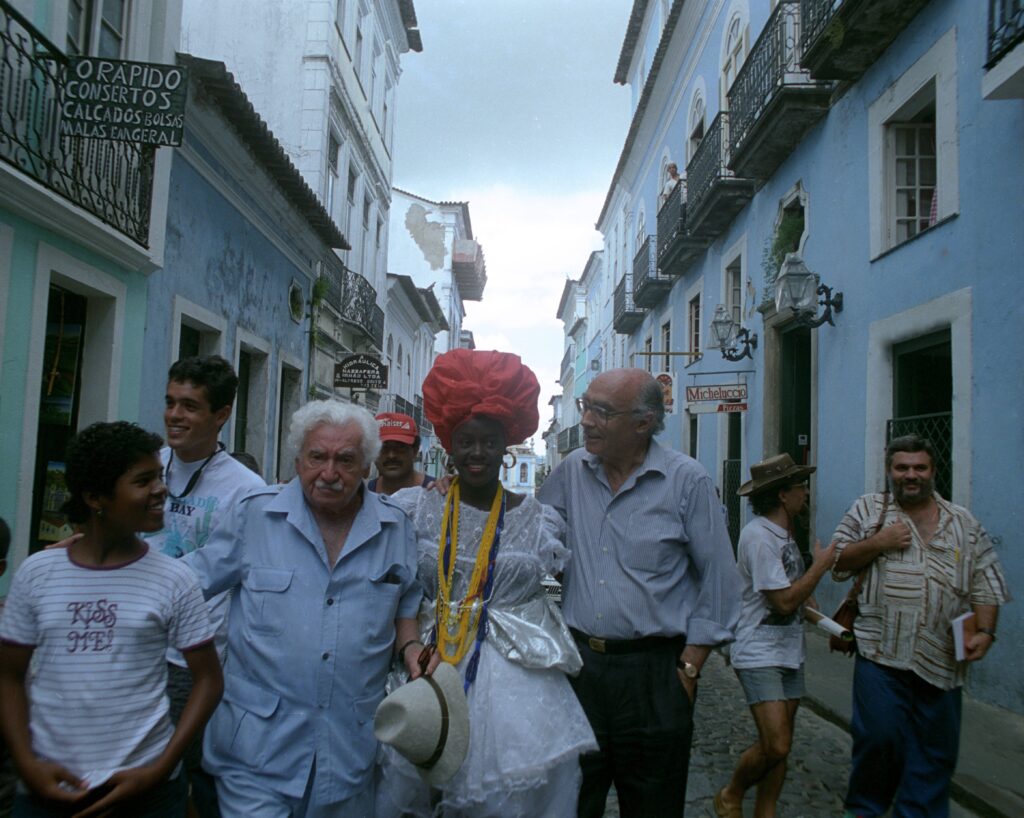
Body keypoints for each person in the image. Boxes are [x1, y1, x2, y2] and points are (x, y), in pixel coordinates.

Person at [376, 349, 597, 818]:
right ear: (448, 446)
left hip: (516, 678)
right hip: (431, 661)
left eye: (489, 442)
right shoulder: (415, 507)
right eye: (466, 441)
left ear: (507, 446)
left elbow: (553, 587)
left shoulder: (541, 521)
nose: (477, 453)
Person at [184, 400, 422, 817]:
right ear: (297, 460)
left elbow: (406, 601)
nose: (329, 474)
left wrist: (410, 646)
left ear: (367, 467)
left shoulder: (395, 526)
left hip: (350, 753)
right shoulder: (254, 514)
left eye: (346, 460)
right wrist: (110, 564)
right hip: (256, 755)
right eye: (317, 457)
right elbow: (184, 584)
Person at [538, 367, 742, 818]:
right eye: (585, 406)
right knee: (572, 800)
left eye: (602, 411)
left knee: (654, 804)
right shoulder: (571, 471)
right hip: (581, 671)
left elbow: (721, 582)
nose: (587, 420)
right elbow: (530, 530)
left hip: (654, 674)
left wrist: (689, 668)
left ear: (644, 422)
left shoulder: (686, 480)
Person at [0, 422, 223, 818]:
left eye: (159, 476)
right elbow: (9, 675)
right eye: (143, 480)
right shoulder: (37, 573)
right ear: (95, 497)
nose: (160, 489)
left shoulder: (174, 578)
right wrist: (28, 764)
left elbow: (207, 679)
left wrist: (161, 767)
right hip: (48, 791)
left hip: (148, 796)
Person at [833, 434, 1010, 818]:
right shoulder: (868, 510)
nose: (910, 475)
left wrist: (986, 631)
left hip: (944, 659)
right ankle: (864, 809)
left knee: (934, 755)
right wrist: (878, 541)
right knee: (879, 739)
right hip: (881, 652)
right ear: (889, 470)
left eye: (919, 467)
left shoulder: (963, 522)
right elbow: (838, 561)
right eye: (902, 468)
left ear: (932, 470)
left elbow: (986, 581)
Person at [146, 355, 265, 818]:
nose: (175, 416)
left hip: (190, 660)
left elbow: (223, 571)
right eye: (171, 403)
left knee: (177, 778)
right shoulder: (146, 463)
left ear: (221, 415)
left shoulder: (246, 489)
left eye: (190, 406)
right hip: (135, 646)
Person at [713, 454, 836, 818]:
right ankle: (731, 793)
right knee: (777, 743)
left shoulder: (785, 534)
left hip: (789, 651)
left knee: (781, 742)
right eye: (800, 486)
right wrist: (821, 566)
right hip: (758, 652)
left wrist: (832, 626)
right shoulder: (758, 537)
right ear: (783, 495)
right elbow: (783, 601)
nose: (806, 492)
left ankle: (766, 811)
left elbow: (798, 598)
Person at [369, 412, 434, 495]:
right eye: (383, 448)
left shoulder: (437, 492)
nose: (391, 455)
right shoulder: (361, 495)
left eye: (400, 448)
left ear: (415, 450)